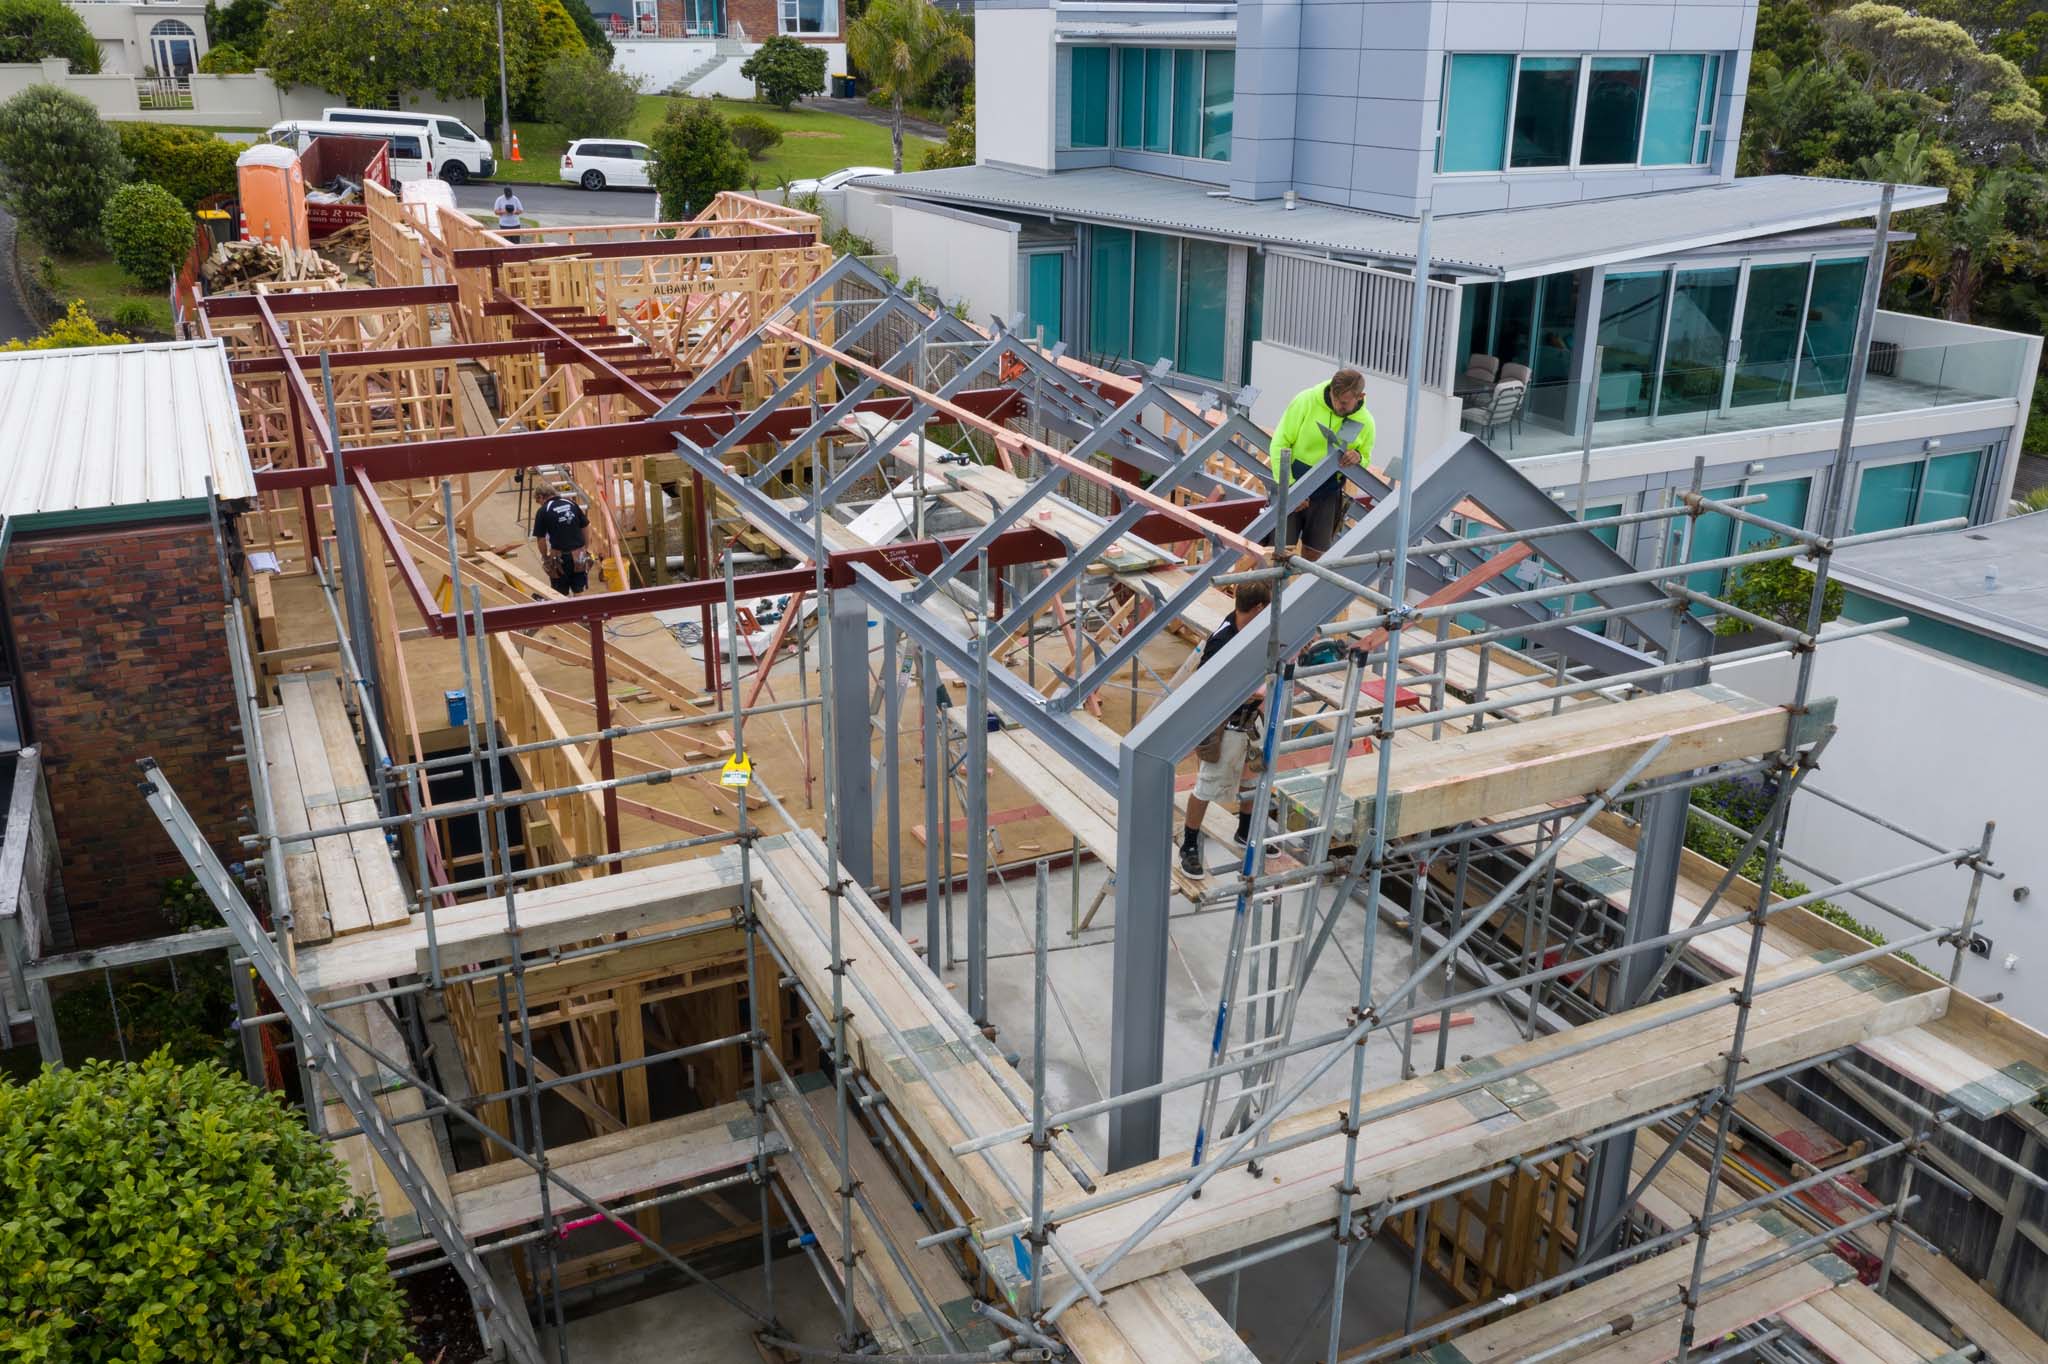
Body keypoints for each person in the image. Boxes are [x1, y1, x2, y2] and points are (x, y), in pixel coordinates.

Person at [1180, 579, 1274, 877]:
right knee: (1207, 785)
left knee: (1252, 776)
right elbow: (1206, 686)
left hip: (1251, 719)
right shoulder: (1223, 640)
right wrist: (1248, 693)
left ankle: (1245, 831)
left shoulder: (1252, 630)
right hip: (1225, 723)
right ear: (1258, 608)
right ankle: (1189, 844)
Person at [1270, 368, 1375, 560]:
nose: (1337, 406)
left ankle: (1305, 590)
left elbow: (1366, 458)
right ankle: (1267, 590)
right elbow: (1279, 443)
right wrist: (1289, 487)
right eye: (1336, 399)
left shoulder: (1366, 422)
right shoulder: (1306, 401)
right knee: (1279, 553)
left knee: (1315, 557)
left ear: (1360, 396)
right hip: (1295, 485)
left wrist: (1358, 457)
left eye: (1344, 403)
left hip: (1327, 493)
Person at [531, 491, 591, 595]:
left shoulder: (543, 510)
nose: (540, 504)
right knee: (579, 590)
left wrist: (545, 557)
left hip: (560, 558)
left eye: (538, 501)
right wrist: (586, 548)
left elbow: (541, 539)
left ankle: (567, 610)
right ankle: (580, 610)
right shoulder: (571, 503)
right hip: (579, 556)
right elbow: (585, 526)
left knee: (560, 593)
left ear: (541, 497)